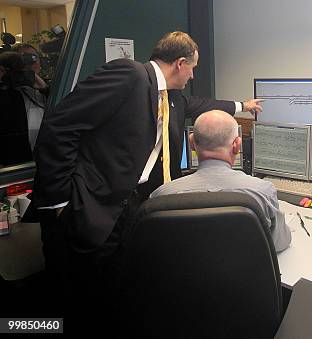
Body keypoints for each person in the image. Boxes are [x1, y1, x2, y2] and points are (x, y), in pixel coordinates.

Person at [32, 31, 263, 325]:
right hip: (87, 206)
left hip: (127, 207)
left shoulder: (170, 98)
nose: (193, 76)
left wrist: (243, 106)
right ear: (180, 63)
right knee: (77, 297)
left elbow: (200, 105)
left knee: (111, 293)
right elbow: (59, 127)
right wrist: (59, 202)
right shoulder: (129, 75)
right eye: (193, 68)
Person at [151, 110, 291, 252]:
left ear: (192, 142)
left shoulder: (161, 196)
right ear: (237, 145)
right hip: (245, 272)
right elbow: (279, 243)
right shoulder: (263, 192)